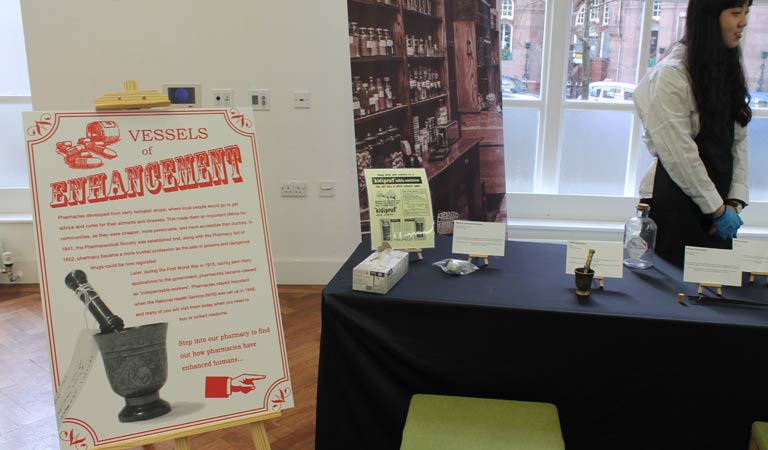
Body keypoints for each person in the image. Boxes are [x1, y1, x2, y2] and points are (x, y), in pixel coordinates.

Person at [633, 0, 752, 266]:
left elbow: (738, 141)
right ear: (709, 18)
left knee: (713, 297)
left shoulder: (726, 70)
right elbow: (679, 154)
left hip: (718, 208)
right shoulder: (670, 75)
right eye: (735, 13)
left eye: (746, 12)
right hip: (675, 207)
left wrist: (734, 202)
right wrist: (717, 210)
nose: (743, 21)